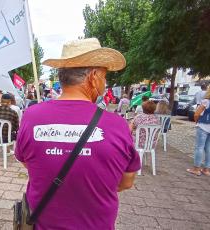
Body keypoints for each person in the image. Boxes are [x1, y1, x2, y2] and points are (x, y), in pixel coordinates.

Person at [15, 38, 140, 229]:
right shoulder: (117, 125)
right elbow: (126, 181)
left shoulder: (31, 116)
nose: (105, 83)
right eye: (104, 76)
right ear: (94, 76)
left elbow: (28, 162)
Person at [187, 88, 210, 176]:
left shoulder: (206, 101)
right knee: (208, 148)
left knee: (199, 147)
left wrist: (197, 122)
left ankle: (196, 168)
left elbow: (196, 114)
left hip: (203, 126)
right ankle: (207, 169)